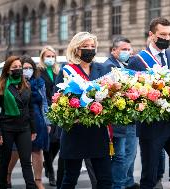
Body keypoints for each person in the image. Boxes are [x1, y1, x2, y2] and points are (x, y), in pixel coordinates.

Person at [128, 17, 170, 189]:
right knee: (149, 176)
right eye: (162, 34)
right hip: (151, 127)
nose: (167, 38)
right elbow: (132, 94)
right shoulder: (138, 60)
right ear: (152, 35)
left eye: (169, 34)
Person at [59, 32, 115, 189]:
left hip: (97, 133)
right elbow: (56, 99)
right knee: (70, 179)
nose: (90, 49)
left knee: (105, 179)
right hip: (74, 132)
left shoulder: (102, 68)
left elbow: (110, 96)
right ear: (77, 49)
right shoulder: (67, 70)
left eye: (92, 46)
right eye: (85, 47)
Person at [0, 56, 37, 189]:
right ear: (8, 70)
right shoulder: (0, 85)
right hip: (6, 127)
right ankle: (3, 185)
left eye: (19, 67)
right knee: (4, 161)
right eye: (14, 67)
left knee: (26, 161)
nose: (18, 69)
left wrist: (33, 129)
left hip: (24, 127)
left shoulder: (26, 84)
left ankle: (31, 186)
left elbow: (30, 108)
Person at [103, 36, 139, 189]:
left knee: (129, 155)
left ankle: (127, 182)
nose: (127, 52)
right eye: (123, 49)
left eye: (129, 49)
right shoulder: (109, 66)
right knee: (121, 157)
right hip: (118, 121)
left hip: (129, 119)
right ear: (114, 51)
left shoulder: (125, 65)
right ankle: (118, 185)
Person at [37, 45, 60, 186]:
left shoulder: (58, 71)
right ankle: (51, 173)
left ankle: (48, 163)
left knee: (57, 142)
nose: (50, 59)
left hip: (57, 109)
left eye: (52, 56)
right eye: (48, 56)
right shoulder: (39, 72)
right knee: (48, 142)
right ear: (42, 57)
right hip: (45, 110)